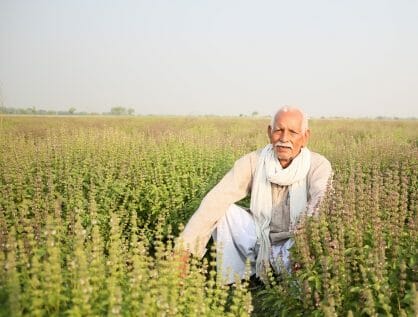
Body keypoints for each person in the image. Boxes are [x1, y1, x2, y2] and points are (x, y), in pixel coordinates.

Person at [177, 106, 332, 284]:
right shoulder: (254, 161)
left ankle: (293, 278)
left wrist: (306, 241)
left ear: (305, 137)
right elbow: (216, 200)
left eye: (293, 132)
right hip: (259, 239)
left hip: (295, 241)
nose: (284, 139)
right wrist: (184, 249)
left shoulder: (318, 165)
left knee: (321, 242)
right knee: (224, 210)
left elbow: (321, 201)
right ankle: (241, 279)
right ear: (269, 132)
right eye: (278, 130)